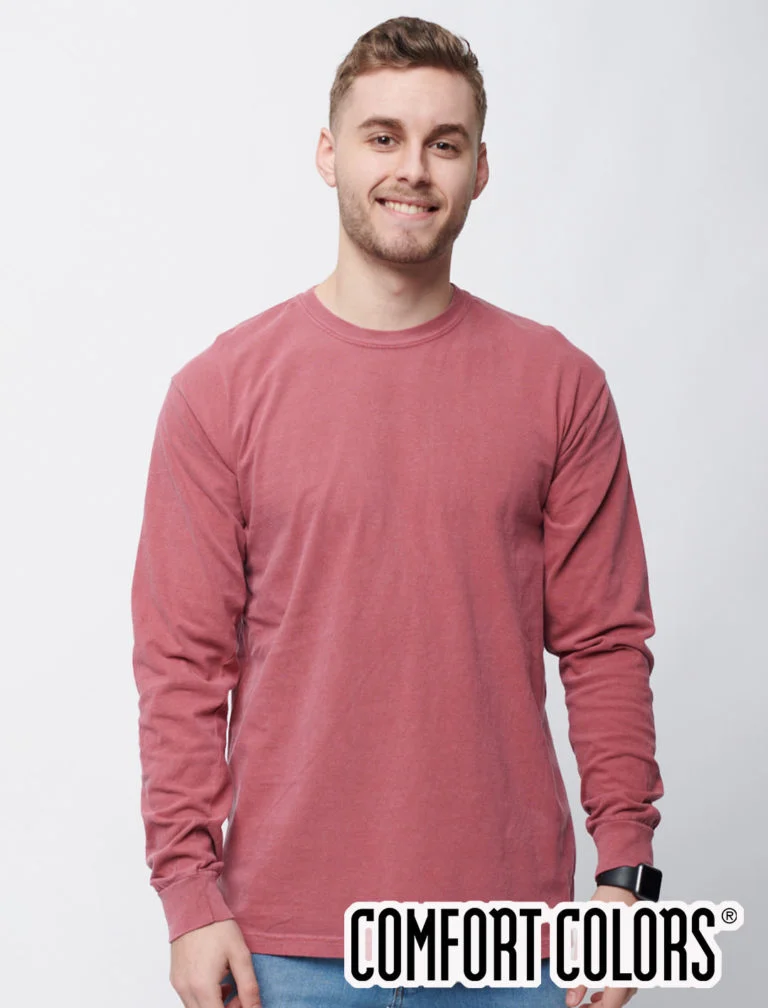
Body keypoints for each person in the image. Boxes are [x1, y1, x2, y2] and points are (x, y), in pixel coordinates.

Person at [131, 15, 664, 1008]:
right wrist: (190, 899)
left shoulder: (561, 387)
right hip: (283, 942)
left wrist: (627, 875)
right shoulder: (220, 393)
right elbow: (182, 666)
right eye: (383, 136)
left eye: (443, 143)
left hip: (511, 939)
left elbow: (604, 644)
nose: (412, 168)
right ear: (328, 153)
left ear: (480, 170)